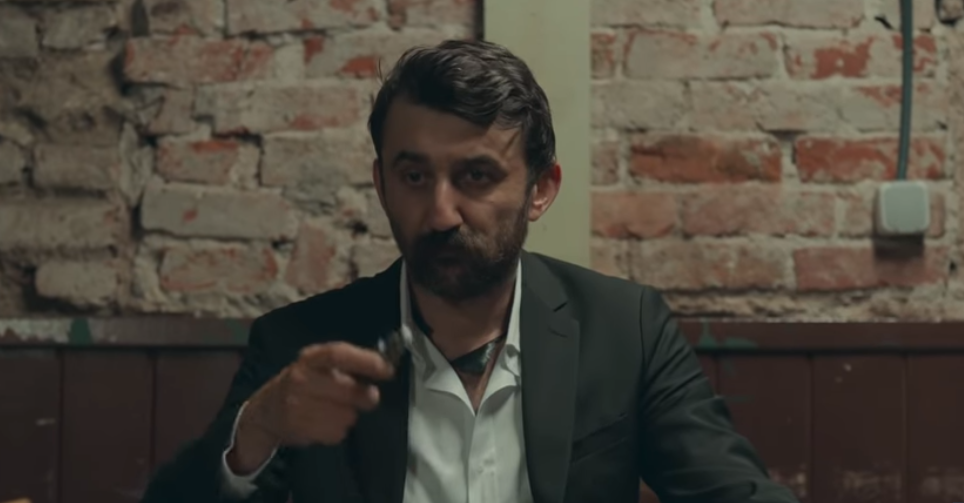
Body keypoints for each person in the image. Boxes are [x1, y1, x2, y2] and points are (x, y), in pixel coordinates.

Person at [141, 39, 799, 503]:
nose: (440, 212)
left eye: (476, 176)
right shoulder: (299, 343)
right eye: (413, 176)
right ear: (381, 183)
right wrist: (259, 427)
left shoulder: (625, 329)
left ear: (541, 189)